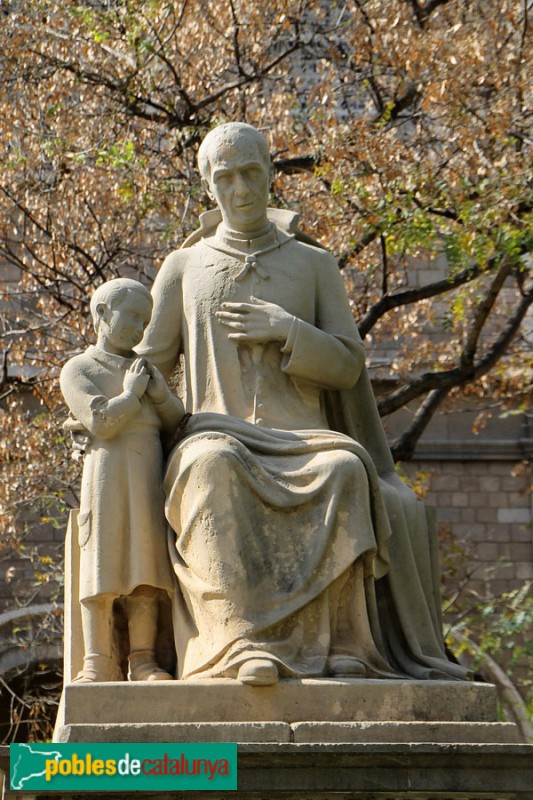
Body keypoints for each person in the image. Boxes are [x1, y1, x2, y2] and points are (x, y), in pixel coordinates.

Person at [138, 122, 469, 686]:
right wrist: (103, 396)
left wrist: (287, 330)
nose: (240, 189)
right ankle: (240, 643)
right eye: (225, 178)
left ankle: (346, 645)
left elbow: (346, 365)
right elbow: (147, 362)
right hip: (216, 431)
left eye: (250, 173)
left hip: (303, 438)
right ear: (208, 187)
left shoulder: (313, 265)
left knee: (344, 469)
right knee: (210, 466)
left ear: (271, 174)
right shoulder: (183, 268)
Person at [60, 278, 184, 682]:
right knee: (103, 566)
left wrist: (161, 394)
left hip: (147, 473)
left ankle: (143, 660)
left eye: (144, 320)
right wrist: (132, 394)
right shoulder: (80, 369)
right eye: (130, 315)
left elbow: (175, 424)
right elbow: (101, 421)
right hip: (107, 475)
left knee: (145, 569)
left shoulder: (143, 368)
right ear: (101, 314)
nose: (138, 327)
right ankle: (97, 660)